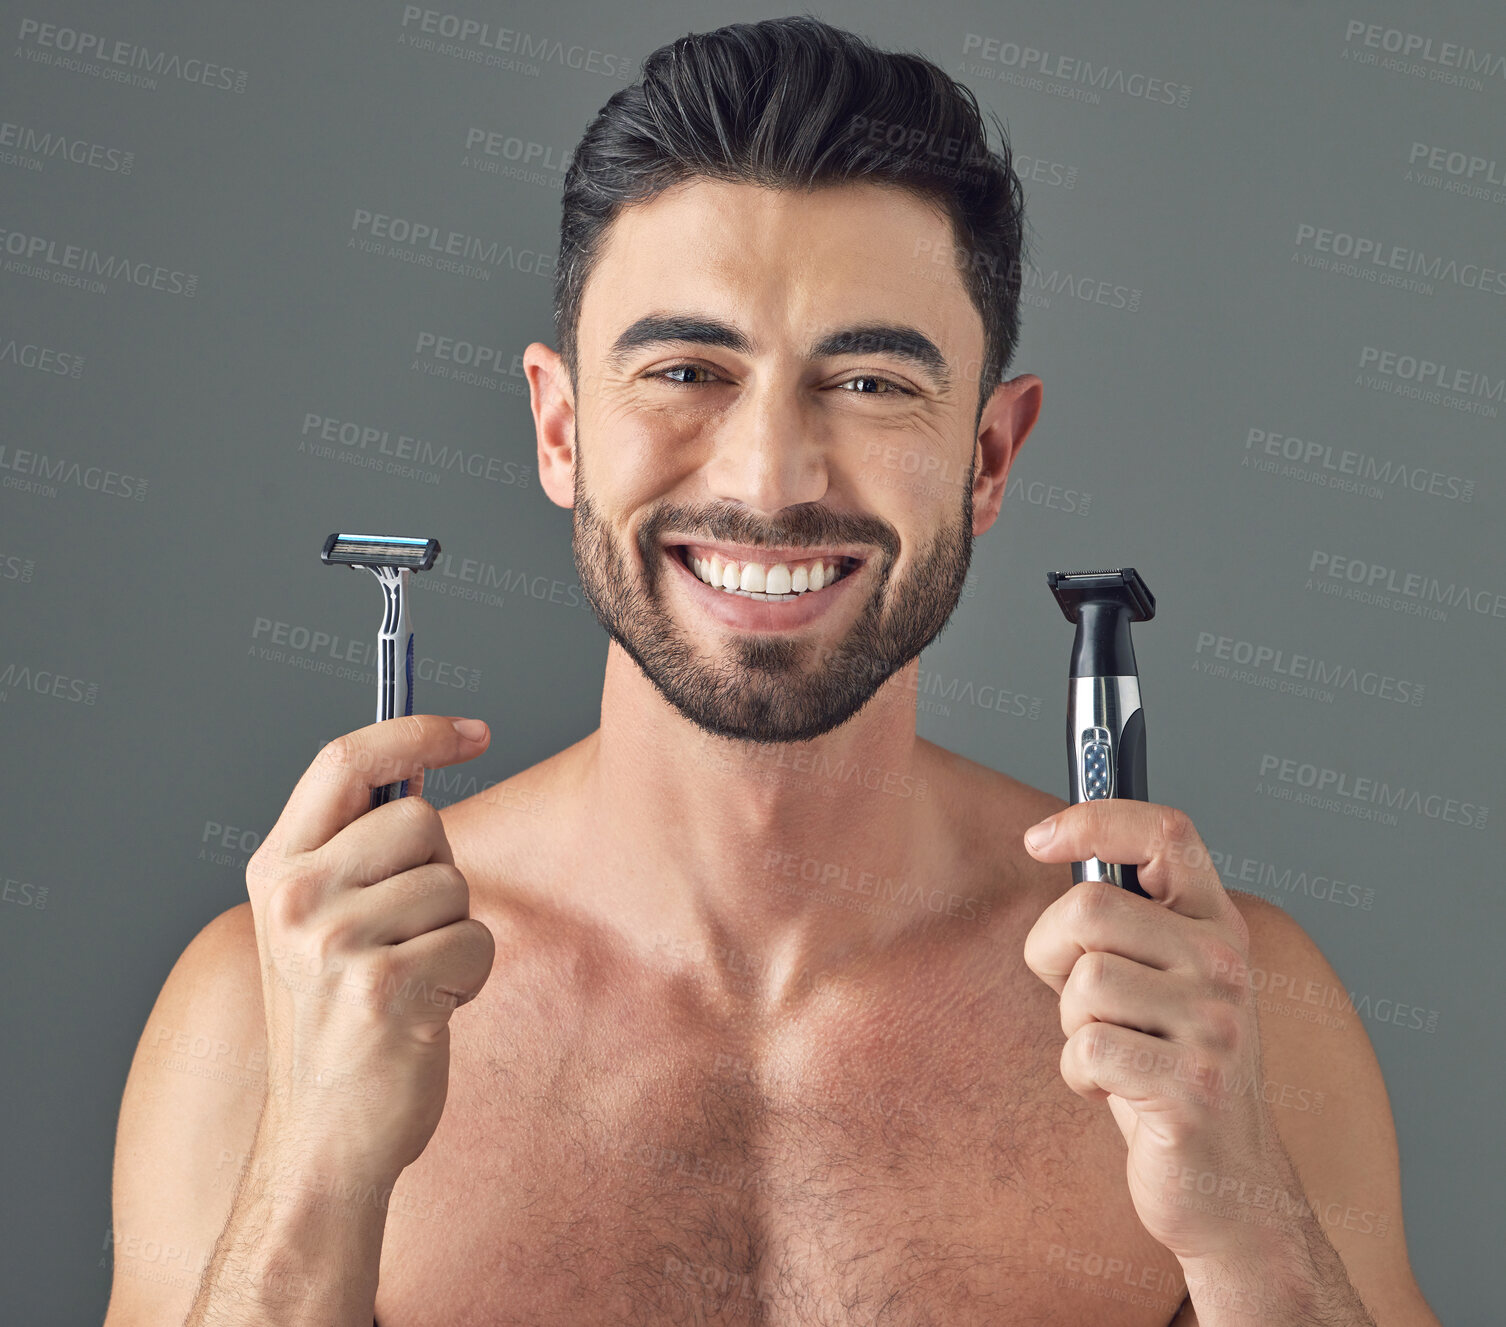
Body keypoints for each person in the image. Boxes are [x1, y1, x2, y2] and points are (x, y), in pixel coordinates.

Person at [106, 16, 1440, 1326]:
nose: (767, 478)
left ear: (986, 460)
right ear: (559, 429)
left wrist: (1251, 1228)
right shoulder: (271, 1012)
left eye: (867, 384)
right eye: (686, 369)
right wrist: (312, 1181)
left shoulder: (1222, 1012)